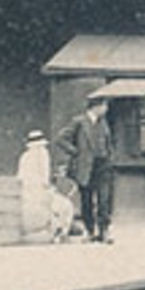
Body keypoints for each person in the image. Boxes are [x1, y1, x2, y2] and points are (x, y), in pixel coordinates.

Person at [58, 98, 114, 243]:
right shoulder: (79, 122)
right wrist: (76, 152)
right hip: (86, 166)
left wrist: (109, 157)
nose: (106, 109)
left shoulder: (103, 123)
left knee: (104, 199)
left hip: (103, 165)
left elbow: (108, 143)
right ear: (96, 107)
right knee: (87, 200)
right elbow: (61, 139)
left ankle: (104, 231)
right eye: (104, 106)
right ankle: (90, 230)